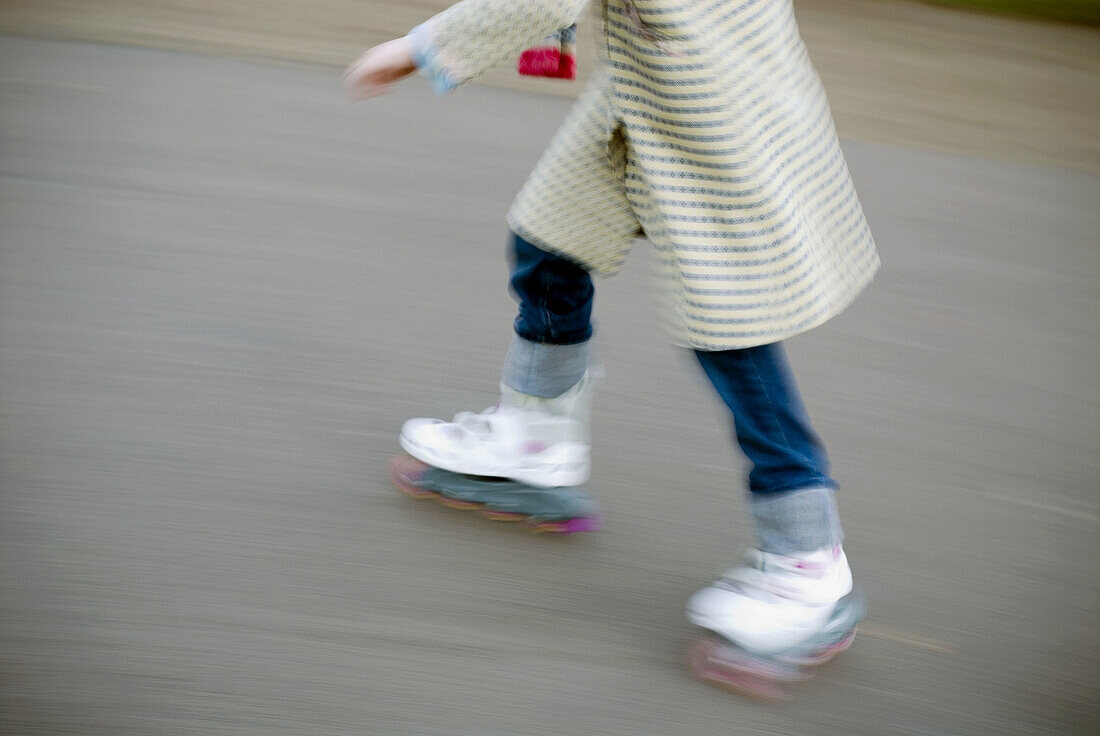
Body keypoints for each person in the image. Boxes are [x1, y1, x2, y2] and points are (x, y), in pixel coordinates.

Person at [346, 0, 878, 689]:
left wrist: (418, 48)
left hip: (715, 111)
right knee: (549, 241)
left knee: (729, 332)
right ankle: (536, 442)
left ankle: (810, 561)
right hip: (654, 82)